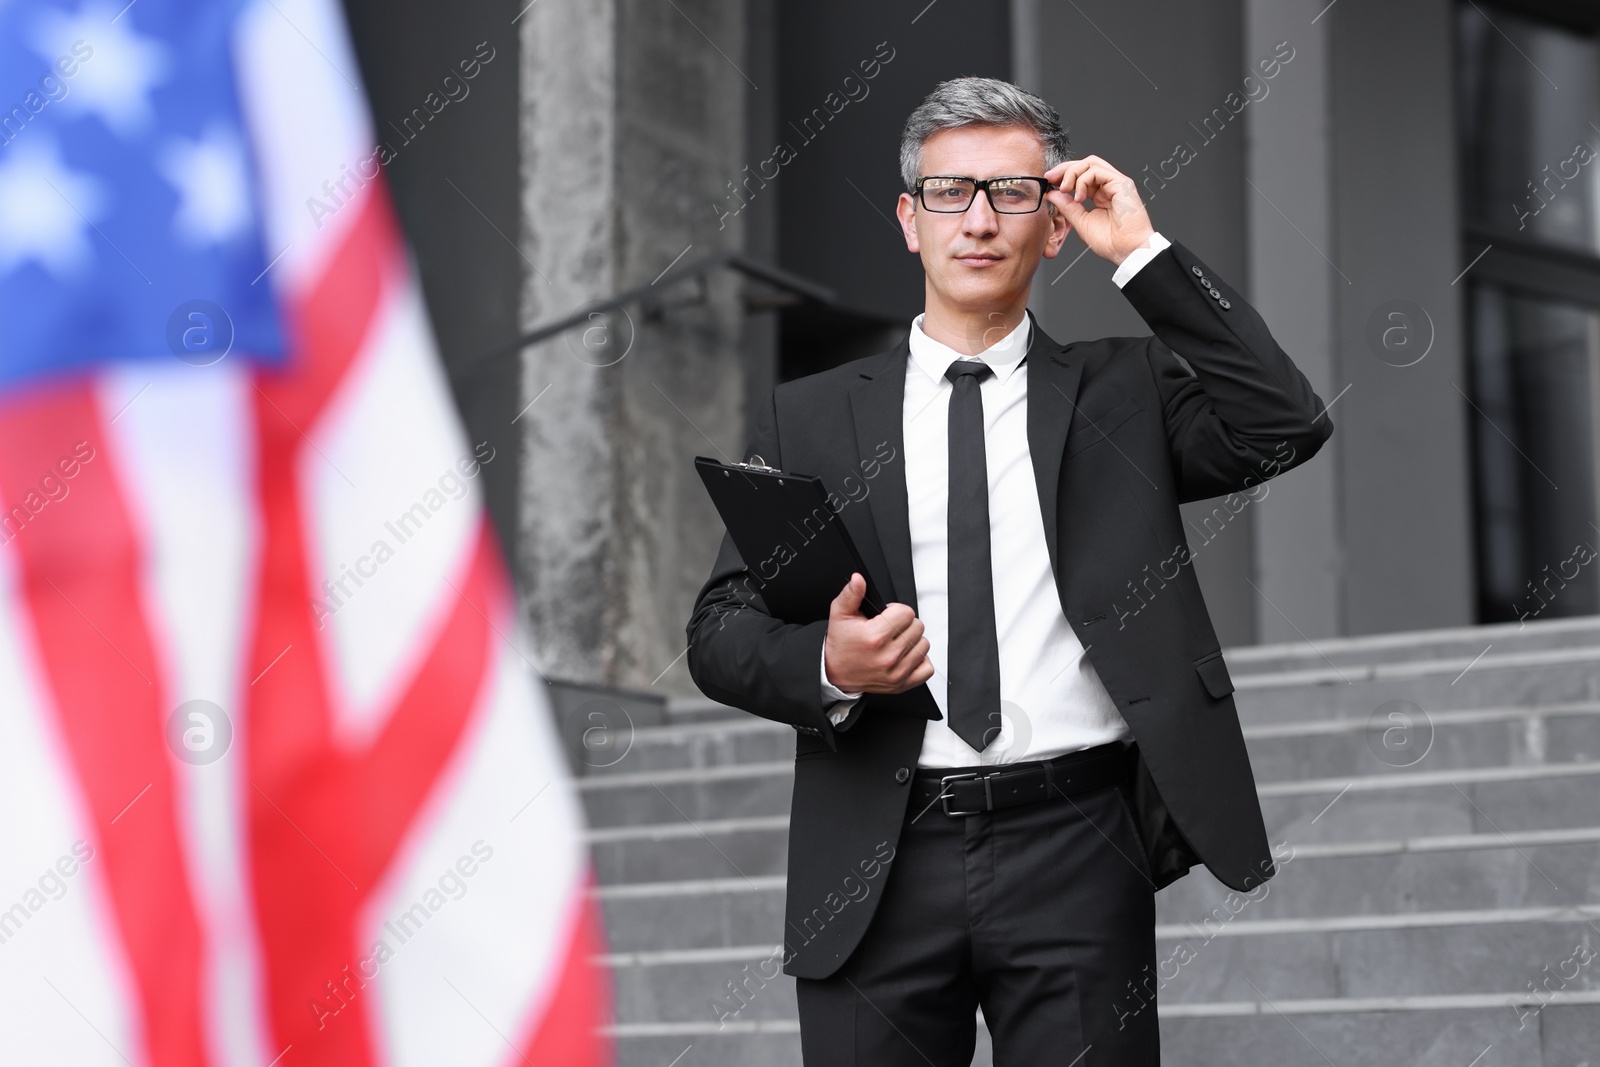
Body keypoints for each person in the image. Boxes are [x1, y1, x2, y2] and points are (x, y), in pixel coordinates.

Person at [685, 76, 1331, 1066]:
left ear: (1054, 222)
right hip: (878, 853)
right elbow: (719, 630)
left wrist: (1143, 255)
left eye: (1012, 193)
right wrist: (827, 661)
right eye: (950, 193)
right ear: (909, 219)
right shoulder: (810, 416)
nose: (979, 219)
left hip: (1076, 844)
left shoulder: (1127, 392)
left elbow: (1283, 422)